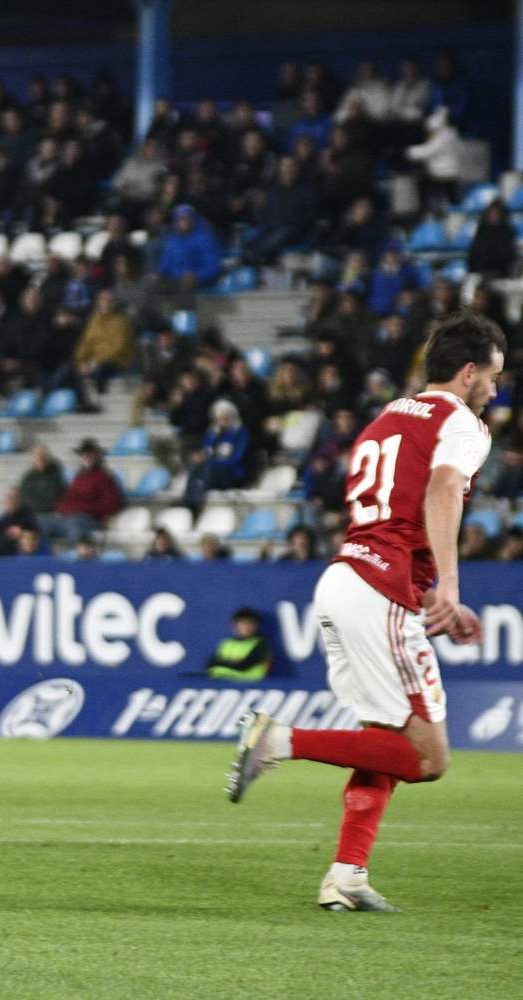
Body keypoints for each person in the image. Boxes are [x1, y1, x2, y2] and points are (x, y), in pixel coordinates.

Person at [227, 311, 506, 912]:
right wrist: (451, 585)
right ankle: (280, 739)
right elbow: (439, 492)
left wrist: (428, 590)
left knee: (385, 738)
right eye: (493, 375)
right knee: (429, 760)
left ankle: (346, 876)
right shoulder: (463, 422)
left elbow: (390, 515)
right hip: (378, 592)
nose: (496, 388)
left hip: (345, 578)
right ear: (467, 372)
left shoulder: (385, 419)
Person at [205, 608, 272, 682]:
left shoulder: (261, 645)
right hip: (219, 683)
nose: (247, 627)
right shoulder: (227, 643)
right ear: (235, 625)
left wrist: (223, 662)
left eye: (251, 623)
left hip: (248, 687)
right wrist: (231, 662)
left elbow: (243, 666)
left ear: (256, 626)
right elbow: (210, 663)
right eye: (243, 623)